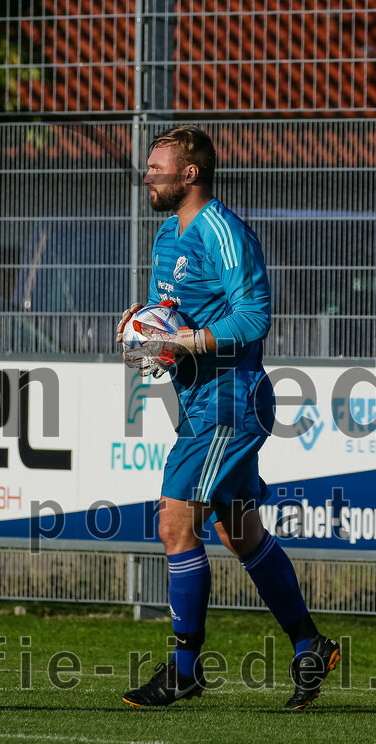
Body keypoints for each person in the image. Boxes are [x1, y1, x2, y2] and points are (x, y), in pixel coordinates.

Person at [117, 126, 339, 710]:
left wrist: (189, 340)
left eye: (157, 166)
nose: (148, 175)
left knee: (174, 524)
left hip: (228, 401)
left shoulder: (224, 231)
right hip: (198, 398)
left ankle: (184, 668)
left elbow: (254, 318)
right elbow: (167, 318)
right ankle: (310, 646)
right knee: (235, 530)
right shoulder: (168, 235)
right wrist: (146, 331)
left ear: (189, 173)